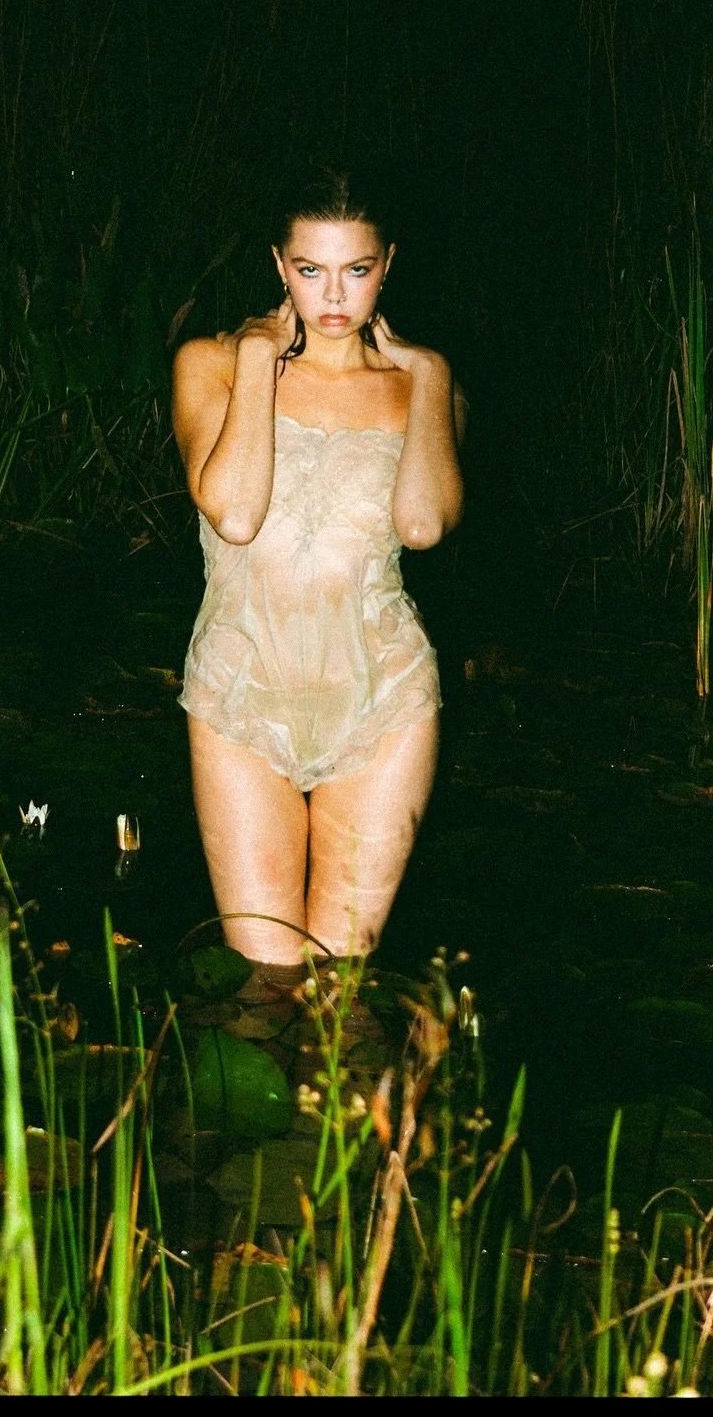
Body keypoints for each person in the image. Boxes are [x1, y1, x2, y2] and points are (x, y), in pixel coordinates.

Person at [171, 175, 465, 990]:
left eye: (356, 270)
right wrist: (263, 355)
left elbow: (425, 524)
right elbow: (232, 512)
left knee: (342, 991)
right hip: (242, 689)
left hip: (381, 697)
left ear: (387, 265)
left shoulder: (422, 388)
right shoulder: (216, 366)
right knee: (264, 986)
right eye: (310, 270)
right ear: (279, 263)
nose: (333, 296)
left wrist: (432, 374)